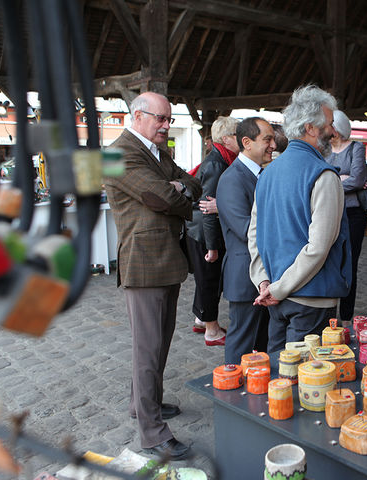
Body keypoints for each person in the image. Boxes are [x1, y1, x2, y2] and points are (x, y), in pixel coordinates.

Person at [105, 92, 201, 460]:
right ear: (138, 116)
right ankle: (151, 433)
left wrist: (178, 188)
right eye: (160, 118)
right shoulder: (119, 153)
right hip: (143, 263)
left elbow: (190, 184)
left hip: (166, 260)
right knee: (147, 350)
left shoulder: (157, 152)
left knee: (158, 345)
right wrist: (176, 189)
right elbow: (163, 195)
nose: (166, 125)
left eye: (169, 119)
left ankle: (145, 404)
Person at [248, 85, 352, 352]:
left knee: (278, 381)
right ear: (310, 128)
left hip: (276, 296)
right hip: (311, 299)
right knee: (307, 385)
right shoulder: (323, 174)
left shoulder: (267, 173)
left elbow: (254, 235)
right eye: (329, 124)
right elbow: (318, 247)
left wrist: (265, 282)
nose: (334, 131)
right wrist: (277, 289)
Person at [217, 117, 274, 363]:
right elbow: (244, 228)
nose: (273, 145)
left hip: (265, 273)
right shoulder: (231, 179)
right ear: (247, 142)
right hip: (244, 275)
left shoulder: (264, 174)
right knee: (240, 341)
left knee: (263, 341)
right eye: (267, 139)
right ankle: (228, 394)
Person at [186, 116, 239, 346]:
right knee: (209, 279)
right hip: (203, 232)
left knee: (204, 279)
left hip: (199, 230)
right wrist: (212, 246)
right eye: (238, 134)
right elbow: (208, 207)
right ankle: (212, 330)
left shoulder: (219, 158)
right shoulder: (218, 164)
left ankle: (201, 319)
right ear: (226, 139)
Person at [326, 110, 367, 325]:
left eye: (330, 124)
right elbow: (316, 178)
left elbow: (358, 179)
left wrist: (330, 184)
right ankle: (330, 314)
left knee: (349, 264)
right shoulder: (323, 149)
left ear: (338, 127)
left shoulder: (356, 147)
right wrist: (342, 179)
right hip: (329, 212)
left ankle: (347, 316)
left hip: (352, 214)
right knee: (330, 260)